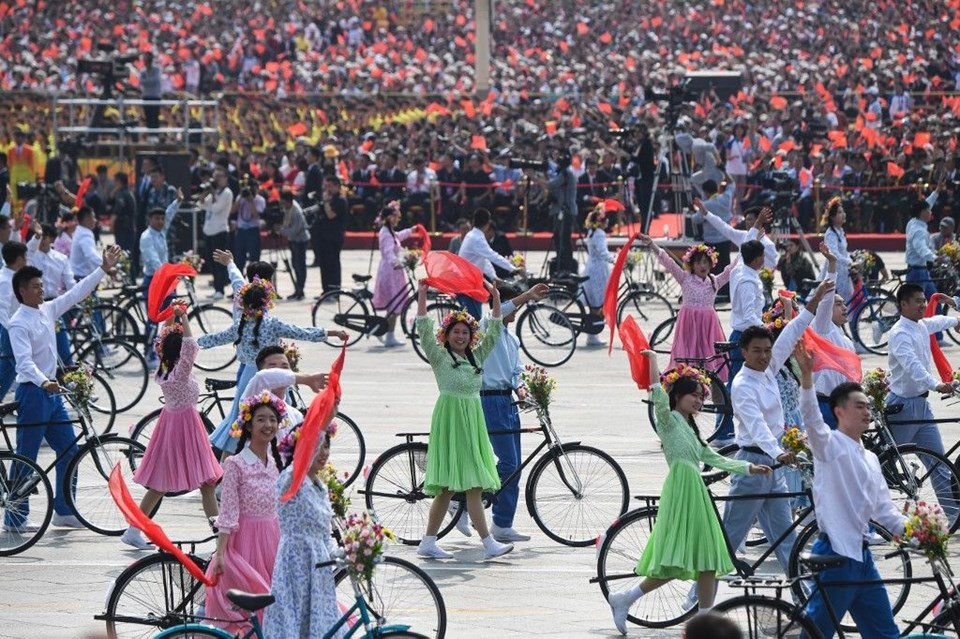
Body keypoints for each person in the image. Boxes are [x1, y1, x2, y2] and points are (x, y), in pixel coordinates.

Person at [608, 356, 770, 634]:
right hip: (681, 493)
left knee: (707, 561)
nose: (698, 401)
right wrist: (654, 361)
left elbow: (713, 457)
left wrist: (748, 467)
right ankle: (625, 598)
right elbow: (657, 394)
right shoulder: (668, 420)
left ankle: (704, 624)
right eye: (693, 395)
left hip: (696, 493)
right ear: (678, 396)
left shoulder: (692, 429)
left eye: (700, 396)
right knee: (674, 560)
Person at [719, 280, 833, 578]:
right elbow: (757, 428)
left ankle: (802, 598)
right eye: (757, 351)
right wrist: (779, 452)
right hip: (754, 465)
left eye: (768, 350)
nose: (765, 356)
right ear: (744, 352)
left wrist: (817, 298)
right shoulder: (742, 385)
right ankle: (696, 601)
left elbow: (795, 329)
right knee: (728, 542)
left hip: (775, 468)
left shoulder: (769, 369)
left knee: (786, 541)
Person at [4, 245, 122, 532]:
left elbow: (75, 293)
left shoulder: (46, 309)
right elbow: (23, 363)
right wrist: (44, 381)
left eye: (42, 285)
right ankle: (14, 518)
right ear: (22, 291)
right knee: (26, 455)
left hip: (53, 394)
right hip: (33, 393)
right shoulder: (18, 323)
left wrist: (102, 270)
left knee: (69, 449)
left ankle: (64, 509)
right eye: (36, 286)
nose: (42, 290)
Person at [796, 344, 907, 639]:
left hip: (862, 558)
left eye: (868, 407)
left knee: (885, 634)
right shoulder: (829, 446)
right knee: (816, 634)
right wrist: (808, 377)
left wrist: (917, 533)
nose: (867, 412)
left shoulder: (870, 458)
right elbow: (810, 417)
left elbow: (884, 509)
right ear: (839, 411)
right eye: (860, 406)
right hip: (835, 555)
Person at [413, 280, 514, 560]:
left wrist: (494, 298)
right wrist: (422, 295)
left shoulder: (477, 356)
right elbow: (422, 328)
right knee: (446, 487)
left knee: (474, 484)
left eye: (465, 332)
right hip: (450, 421)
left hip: (473, 421)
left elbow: (494, 329)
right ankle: (432, 542)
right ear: (446, 334)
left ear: (471, 337)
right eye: (456, 332)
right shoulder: (439, 357)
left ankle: (484, 542)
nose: (460, 336)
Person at [198, 277, 345, 456]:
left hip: (248, 378)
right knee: (282, 420)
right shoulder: (273, 324)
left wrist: (190, 343)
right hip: (278, 377)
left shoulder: (240, 326)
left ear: (243, 306)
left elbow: (215, 338)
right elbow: (301, 331)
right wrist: (330, 332)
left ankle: (228, 468)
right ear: (266, 303)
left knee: (240, 424)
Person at [451, 283, 551, 542]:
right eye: (512, 305)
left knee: (514, 465)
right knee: (506, 462)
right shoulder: (485, 328)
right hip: (488, 401)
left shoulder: (512, 338)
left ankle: (502, 523)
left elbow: (516, 370)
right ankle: (461, 499)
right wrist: (527, 296)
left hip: (507, 402)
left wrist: (520, 388)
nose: (515, 311)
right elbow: (502, 309)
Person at [121, 307, 222, 549]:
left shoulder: (165, 366)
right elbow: (190, 345)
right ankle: (220, 534)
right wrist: (183, 316)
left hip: (171, 423)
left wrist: (171, 317)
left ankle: (134, 529)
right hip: (186, 426)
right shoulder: (180, 370)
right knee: (206, 483)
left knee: (161, 484)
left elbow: (164, 338)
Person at [204, 393, 285, 634]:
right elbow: (228, 512)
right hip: (245, 543)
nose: (268, 425)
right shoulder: (235, 464)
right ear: (249, 425)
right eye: (261, 419)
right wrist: (220, 553)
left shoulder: (275, 463)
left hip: (273, 539)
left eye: (272, 420)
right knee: (252, 606)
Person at [262, 419, 343, 638]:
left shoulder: (320, 485)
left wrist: (346, 552)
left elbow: (323, 534)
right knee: (292, 625)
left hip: (318, 569)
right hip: (296, 565)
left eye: (326, 446)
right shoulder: (292, 477)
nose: (323, 452)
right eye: (317, 446)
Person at [885, 283, 960, 519]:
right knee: (881, 466)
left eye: (924, 300)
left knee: (940, 465)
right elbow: (913, 368)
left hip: (922, 408)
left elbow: (938, 321)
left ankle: (955, 515)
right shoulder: (899, 334)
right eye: (917, 301)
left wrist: (955, 318)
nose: (922, 305)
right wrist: (937, 384)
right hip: (903, 409)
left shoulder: (920, 326)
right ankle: (870, 516)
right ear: (902, 305)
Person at [640, 234, 736, 381]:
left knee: (707, 355)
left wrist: (750, 243)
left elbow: (731, 270)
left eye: (705, 262)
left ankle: (707, 382)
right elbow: (669, 262)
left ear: (711, 264)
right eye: (698, 263)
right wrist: (652, 244)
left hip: (708, 324)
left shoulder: (714, 281)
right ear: (691, 265)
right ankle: (687, 381)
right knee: (688, 354)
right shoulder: (684, 278)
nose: (702, 266)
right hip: (688, 323)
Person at [813, 244, 859, 429]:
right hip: (824, 406)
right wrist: (832, 264)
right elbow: (827, 297)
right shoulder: (822, 328)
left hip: (843, 407)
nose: (845, 308)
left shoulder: (847, 341)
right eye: (838, 304)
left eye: (844, 304)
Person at [140, 194, 184, 368]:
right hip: (153, 279)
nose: (160, 221)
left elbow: (170, 213)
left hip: (165, 278)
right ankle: (148, 353)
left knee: (175, 313)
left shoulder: (161, 232)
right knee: (153, 318)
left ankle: (173, 350)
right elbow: (152, 261)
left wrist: (178, 201)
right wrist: (168, 273)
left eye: (161, 219)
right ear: (149, 220)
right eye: (156, 219)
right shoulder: (147, 237)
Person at [25, 222, 74, 364]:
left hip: (54, 305)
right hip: (35, 306)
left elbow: (70, 283)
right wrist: (36, 235)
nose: (42, 240)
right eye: (40, 237)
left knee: (63, 347)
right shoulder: (31, 256)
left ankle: (68, 374)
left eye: (45, 237)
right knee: (37, 351)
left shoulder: (61, 258)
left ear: (52, 239)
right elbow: (28, 250)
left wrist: (76, 298)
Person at [456, 208, 517, 319]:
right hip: (467, 285)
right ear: (488, 223)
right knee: (474, 322)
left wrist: (494, 277)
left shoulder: (473, 235)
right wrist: (513, 268)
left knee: (475, 322)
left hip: (473, 283)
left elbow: (484, 259)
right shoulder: (476, 238)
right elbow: (492, 255)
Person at [372, 201, 415, 347]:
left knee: (394, 304)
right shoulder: (385, 233)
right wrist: (396, 263)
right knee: (395, 305)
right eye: (396, 216)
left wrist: (411, 230)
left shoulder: (389, 231)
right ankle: (388, 335)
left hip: (394, 272)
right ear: (390, 217)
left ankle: (382, 330)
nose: (398, 219)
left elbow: (398, 237)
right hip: (391, 271)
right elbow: (388, 252)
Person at [690, 175, 736, 301]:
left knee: (712, 268)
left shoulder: (707, 204)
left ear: (706, 192)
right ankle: (727, 293)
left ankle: (714, 292)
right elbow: (732, 185)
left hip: (711, 240)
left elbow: (696, 219)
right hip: (725, 239)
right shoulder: (726, 198)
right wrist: (723, 170)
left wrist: (694, 210)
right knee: (726, 267)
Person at [581, 205, 616, 348]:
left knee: (594, 303)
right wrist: (615, 259)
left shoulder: (591, 232)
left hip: (592, 267)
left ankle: (593, 334)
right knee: (596, 303)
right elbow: (603, 252)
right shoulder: (600, 233)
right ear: (601, 222)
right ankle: (592, 335)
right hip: (598, 271)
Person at [200, 168, 233, 300]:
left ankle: (220, 289)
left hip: (219, 231)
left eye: (220, 177)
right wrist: (205, 192)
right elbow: (202, 205)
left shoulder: (226, 193)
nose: (217, 180)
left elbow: (217, 208)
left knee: (219, 262)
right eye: (215, 177)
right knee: (210, 261)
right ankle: (216, 288)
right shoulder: (215, 192)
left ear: (226, 178)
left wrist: (212, 194)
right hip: (209, 231)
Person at [0, 241, 27, 402]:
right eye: (25, 258)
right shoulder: (5, 280)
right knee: (25, 370)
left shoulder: (13, 277)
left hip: (13, 330)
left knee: (7, 373)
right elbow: (2, 309)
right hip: (10, 331)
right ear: (18, 261)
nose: (27, 261)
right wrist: (13, 329)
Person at [545, 151, 578, 274]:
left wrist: (534, 177)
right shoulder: (563, 172)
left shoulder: (566, 173)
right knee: (558, 238)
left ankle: (566, 265)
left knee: (564, 238)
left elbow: (550, 185)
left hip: (566, 210)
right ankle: (560, 261)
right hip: (560, 210)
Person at [315, 175, 348, 294]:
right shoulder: (328, 199)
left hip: (334, 237)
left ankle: (334, 290)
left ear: (337, 187)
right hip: (323, 236)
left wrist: (326, 201)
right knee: (324, 264)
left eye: (330, 186)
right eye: (326, 186)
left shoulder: (340, 200)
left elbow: (331, 215)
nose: (327, 189)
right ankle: (326, 290)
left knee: (333, 263)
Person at [818, 197, 854, 303]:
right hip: (834, 271)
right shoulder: (830, 233)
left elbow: (844, 252)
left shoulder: (841, 231)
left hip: (843, 271)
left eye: (843, 212)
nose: (843, 215)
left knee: (846, 300)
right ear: (832, 217)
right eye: (839, 213)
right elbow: (834, 254)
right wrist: (849, 262)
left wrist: (852, 258)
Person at [276, 189, 309, 300]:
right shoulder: (288, 209)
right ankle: (297, 289)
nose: (282, 205)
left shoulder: (296, 212)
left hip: (300, 240)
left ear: (289, 201)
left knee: (300, 266)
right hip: (293, 240)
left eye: (283, 202)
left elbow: (294, 230)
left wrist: (280, 230)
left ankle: (300, 290)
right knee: (295, 265)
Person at [231, 180, 264, 272]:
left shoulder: (260, 200)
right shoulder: (241, 197)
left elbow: (256, 215)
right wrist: (241, 197)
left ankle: (254, 282)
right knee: (239, 259)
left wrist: (251, 201)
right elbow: (233, 211)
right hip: (241, 231)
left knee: (254, 259)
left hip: (252, 231)